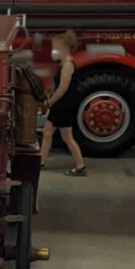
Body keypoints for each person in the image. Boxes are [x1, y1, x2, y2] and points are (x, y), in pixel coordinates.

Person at [40, 30, 87, 177]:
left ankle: (80, 165)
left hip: (64, 105)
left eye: (56, 47)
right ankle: (40, 161)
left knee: (66, 137)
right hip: (62, 104)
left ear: (64, 47)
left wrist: (50, 101)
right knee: (48, 132)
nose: (54, 50)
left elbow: (63, 88)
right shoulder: (64, 63)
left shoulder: (68, 64)